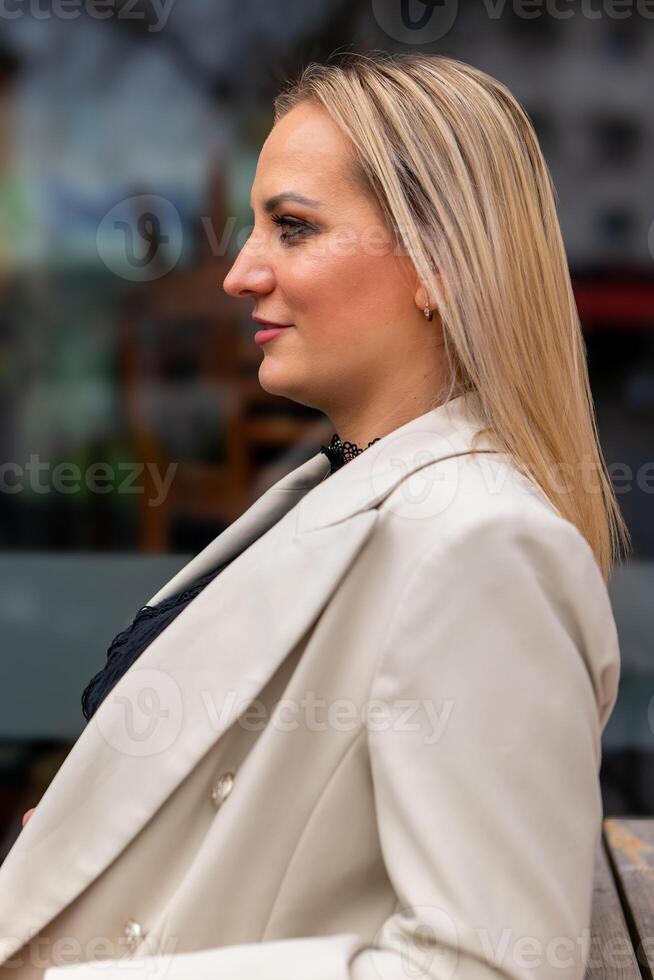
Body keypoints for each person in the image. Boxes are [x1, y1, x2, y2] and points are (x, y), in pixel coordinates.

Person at [1, 51, 629, 980]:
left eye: (292, 228)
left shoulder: (487, 548)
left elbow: (485, 967)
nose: (239, 273)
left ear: (436, 265)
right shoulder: (349, 484)